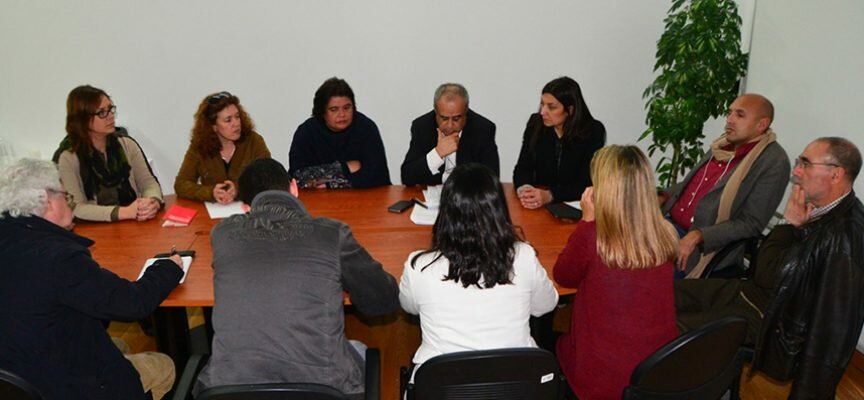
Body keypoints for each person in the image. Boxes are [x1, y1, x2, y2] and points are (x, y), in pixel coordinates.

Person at [194, 158, 399, 399]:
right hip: (323, 391)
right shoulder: (332, 233)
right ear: (293, 188)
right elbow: (383, 301)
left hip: (232, 390)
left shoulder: (222, 234)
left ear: (246, 208)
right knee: (359, 350)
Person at [676, 137, 864, 399]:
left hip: (774, 321)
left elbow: (832, 329)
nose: (796, 171)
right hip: (755, 295)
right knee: (670, 294)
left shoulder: (845, 237)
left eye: (805, 163)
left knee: (677, 327)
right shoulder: (823, 211)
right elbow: (769, 271)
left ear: (836, 174)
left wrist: (788, 225)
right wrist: (794, 227)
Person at [0, 158, 183, 400]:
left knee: (119, 344)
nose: (69, 203)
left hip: (14, 378)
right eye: (65, 196)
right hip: (62, 385)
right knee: (163, 366)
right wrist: (168, 268)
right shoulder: (59, 258)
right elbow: (132, 304)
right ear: (47, 200)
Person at [399, 163, 558, 378]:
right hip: (515, 384)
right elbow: (545, 305)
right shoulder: (523, 256)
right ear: (498, 210)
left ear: (445, 213)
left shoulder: (419, 266)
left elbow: (409, 307)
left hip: (444, 385)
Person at [554, 145, 679, 399]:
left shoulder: (592, 236)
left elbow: (563, 276)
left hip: (602, 381)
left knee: (556, 343)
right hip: (658, 371)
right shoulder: (665, 233)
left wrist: (586, 221)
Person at [661, 93, 790, 278]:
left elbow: (751, 223)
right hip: (668, 225)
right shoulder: (722, 145)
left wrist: (698, 235)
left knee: (639, 272)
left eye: (740, 115)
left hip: (703, 246)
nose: (729, 120)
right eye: (730, 113)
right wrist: (661, 196)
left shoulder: (773, 162)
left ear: (761, 125)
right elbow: (694, 184)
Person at [56, 85, 163, 222]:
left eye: (111, 109)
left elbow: (149, 183)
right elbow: (75, 208)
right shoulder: (67, 157)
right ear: (83, 119)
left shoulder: (126, 144)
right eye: (102, 113)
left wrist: (152, 202)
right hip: (93, 228)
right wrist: (124, 212)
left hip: (134, 221)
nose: (111, 116)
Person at [513, 76, 606, 209]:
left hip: (576, 205)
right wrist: (525, 189)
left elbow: (586, 182)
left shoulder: (593, 131)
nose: (543, 112)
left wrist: (550, 195)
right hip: (540, 204)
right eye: (542, 104)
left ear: (570, 110)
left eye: (551, 107)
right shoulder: (535, 124)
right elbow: (523, 168)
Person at [289, 77, 391, 189]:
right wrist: (345, 167)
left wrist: (329, 183)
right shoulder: (307, 132)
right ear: (322, 112)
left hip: (366, 197)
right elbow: (298, 176)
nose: (342, 114)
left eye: (347, 108)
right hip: (318, 198)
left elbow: (378, 177)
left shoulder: (366, 128)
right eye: (334, 109)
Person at [174, 91, 271, 203]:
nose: (236, 123)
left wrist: (239, 189)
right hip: (215, 210)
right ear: (213, 126)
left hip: (249, 207)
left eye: (237, 117)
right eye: (228, 120)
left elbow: (268, 177)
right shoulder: (200, 147)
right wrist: (211, 192)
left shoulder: (254, 141)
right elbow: (181, 184)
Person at [401, 83, 499, 185]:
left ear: (466, 113)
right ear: (436, 112)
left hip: (467, 192)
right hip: (432, 192)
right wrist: (437, 154)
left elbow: (492, 179)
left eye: (456, 119)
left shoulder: (483, 129)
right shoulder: (422, 127)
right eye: (444, 118)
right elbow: (407, 176)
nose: (450, 125)